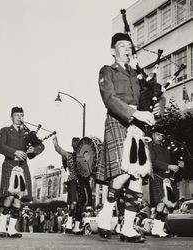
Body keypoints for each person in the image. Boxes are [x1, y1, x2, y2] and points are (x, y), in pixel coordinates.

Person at [96, 32, 162, 243]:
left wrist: (156, 107)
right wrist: (134, 113)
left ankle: (128, 228)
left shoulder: (136, 74)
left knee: (138, 174)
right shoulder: (107, 71)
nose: (127, 49)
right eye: (122, 46)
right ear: (112, 50)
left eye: (129, 46)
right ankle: (106, 213)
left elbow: (154, 93)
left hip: (138, 124)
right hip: (119, 120)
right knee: (124, 173)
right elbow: (109, 98)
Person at [0, 107, 45, 238]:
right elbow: (0, 145)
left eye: (22, 115)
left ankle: (12, 229)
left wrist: (33, 149)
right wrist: (14, 152)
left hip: (23, 167)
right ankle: (1, 227)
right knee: (9, 197)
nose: (20, 118)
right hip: (10, 165)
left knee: (18, 200)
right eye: (17, 115)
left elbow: (41, 146)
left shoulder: (27, 133)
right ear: (11, 117)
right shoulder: (5, 131)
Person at [52, 136, 92, 233]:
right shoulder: (69, 155)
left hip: (82, 181)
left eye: (77, 143)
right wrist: (55, 144)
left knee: (81, 203)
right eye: (74, 142)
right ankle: (69, 225)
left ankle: (77, 227)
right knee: (73, 202)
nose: (75, 144)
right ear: (72, 144)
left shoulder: (84, 156)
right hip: (73, 180)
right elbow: (59, 150)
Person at [148, 129, 184, 237]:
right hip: (157, 175)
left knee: (168, 205)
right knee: (161, 201)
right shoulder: (149, 146)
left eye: (162, 135)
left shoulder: (166, 148)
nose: (161, 137)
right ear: (153, 135)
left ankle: (159, 229)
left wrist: (180, 165)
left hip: (168, 176)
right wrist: (168, 166)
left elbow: (172, 162)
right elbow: (152, 161)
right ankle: (155, 229)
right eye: (158, 134)